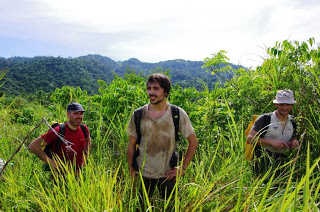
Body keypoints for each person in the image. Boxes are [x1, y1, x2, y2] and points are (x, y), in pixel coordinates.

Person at [127, 73, 198, 203]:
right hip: (143, 173)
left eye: (156, 88)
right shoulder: (138, 114)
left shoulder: (177, 114)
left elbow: (193, 141)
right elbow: (131, 145)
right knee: (141, 207)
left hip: (168, 174)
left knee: (170, 206)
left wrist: (182, 168)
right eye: (149, 88)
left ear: (166, 91)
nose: (151, 92)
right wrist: (132, 170)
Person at [246, 89, 299, 176]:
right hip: (262, 162)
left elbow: (294, 139)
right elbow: (250, 138)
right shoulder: (265, 119)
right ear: (276, 104)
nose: (285, 107)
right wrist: (270, 142)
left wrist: (295, 143)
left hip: (282, 163)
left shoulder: (293, 121)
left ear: (292, 105)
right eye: (282, 104)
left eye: (288, 104)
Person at [29, 102, 91, 174]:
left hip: (78, 173)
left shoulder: (84, 129)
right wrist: (50, 161)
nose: (79, 116)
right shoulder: (58, 131)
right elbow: (33, 146)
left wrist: (86, 154)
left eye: (81, 114)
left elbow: (88, 139)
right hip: (59, 175)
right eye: (76, 113)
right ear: (68, 115)